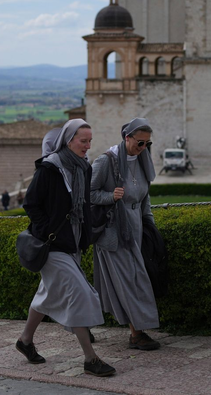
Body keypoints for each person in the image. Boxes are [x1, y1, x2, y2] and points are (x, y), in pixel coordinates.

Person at [17, 120, 115, 378]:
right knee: (80, 294)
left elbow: (82, 206)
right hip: (51, 246)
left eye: (90, 141)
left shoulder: (83, 168)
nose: (88, 146)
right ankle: (90, 359)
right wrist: (47, 228)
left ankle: (25, 341)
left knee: (46, 294)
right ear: (69, 140)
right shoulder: (50, 168)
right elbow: (31, 204)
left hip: (71, 244)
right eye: (83, 141)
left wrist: (85, 236)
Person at [90, 117, 161, 351]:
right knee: (130, 281)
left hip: (136, 231)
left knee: (130, 279)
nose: (143, 148)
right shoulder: (105, 161)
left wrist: (150, 226)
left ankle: (83, 323)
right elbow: (87, 194)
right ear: (126, 138)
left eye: (147, 144)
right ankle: (136, 334)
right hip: (114, 233)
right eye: (139, 143)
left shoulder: (141, 161)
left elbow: (144, 198)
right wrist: (111, 197)